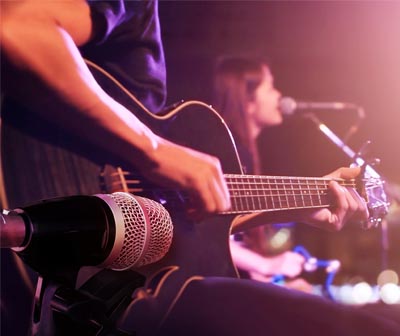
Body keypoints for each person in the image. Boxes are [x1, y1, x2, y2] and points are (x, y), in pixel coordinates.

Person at [1, 1, 398, 335]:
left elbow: (177, 220)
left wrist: (295, 204)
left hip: (83, 293)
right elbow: (15, 26)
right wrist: (156, 150)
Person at [212, 55, 312, 291]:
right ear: (248, 101)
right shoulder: (225, 151)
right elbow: (210, 233)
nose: (279, 95)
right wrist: (267, 265)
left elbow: (233, 237)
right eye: (270, 87)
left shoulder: (242, 151)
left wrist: (265, 280)